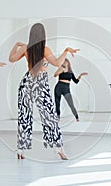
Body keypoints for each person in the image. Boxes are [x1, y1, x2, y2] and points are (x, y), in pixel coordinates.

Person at [9, 23, 79, 160]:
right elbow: (58, 63)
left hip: (27, 82)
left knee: (24, 117)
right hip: (40, 84)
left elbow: (11, 59)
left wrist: (16, 45)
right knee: (50, 118)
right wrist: (66, 51)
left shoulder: (25, 48)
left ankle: (21, 150)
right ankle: (60, 150)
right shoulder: (45, 49)